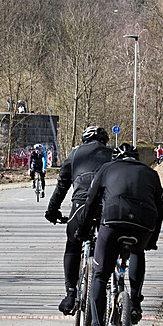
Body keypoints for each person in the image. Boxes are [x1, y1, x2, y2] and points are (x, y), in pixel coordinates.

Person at [76, 143, 163, 326]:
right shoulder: (151, 173)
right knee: (138, 252)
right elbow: (160, 207)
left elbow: (91, 201)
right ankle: (134, 302)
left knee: (100, 275)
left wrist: (83, 229)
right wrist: (152, 239)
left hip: (113, 222)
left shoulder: (107, 168)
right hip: (144, 225)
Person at [44, 126, 112, 314]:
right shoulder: (114, 154)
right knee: (110, 243)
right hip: (108, 205)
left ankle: (70, 294)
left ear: (84, 140)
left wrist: (52, 211)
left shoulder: (75, 154)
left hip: (81, 205)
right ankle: (112, 284)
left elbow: (62, 185)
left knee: (73, 245)